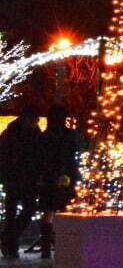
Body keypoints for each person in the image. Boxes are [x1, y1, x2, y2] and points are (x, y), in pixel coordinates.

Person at [34, 106, 87, 259]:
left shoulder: (45, 136)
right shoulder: (71, 135)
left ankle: (46, 247)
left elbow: (39, 158)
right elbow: (82, 149)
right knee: (66, 210)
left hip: (49, 177)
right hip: (68, 176)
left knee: (48, 211)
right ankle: (64, 245)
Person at [0, 110, 41, 259]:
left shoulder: (32, 133)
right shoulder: (12, 134)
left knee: (24, 211)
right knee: (17, 212)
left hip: (22, 179)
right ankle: (10, 243)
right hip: (16, 178)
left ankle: (9, 240)